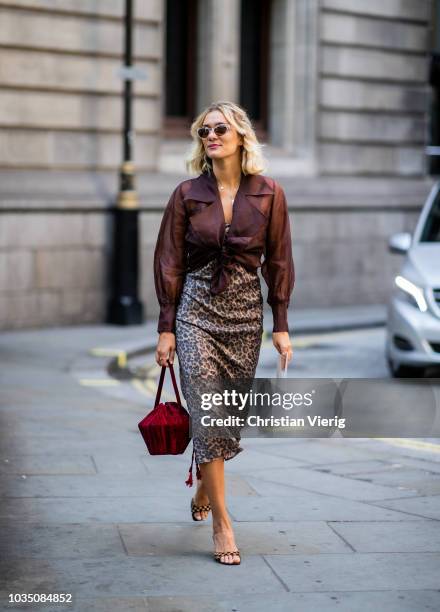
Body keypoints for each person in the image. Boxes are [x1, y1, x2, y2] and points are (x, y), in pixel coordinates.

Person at [154, 100, 294, 565]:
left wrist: (282, 324)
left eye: (219, 129)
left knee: (225, 420)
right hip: (195, 309)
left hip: (244, 314)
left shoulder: (269, 193)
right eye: (203, 131)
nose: (210, 136)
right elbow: (169, 261)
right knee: (208, 414)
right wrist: (167, 327)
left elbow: (278, 260)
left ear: (240, 137)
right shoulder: (187, 193)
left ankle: (203, 489)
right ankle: (223, 523)